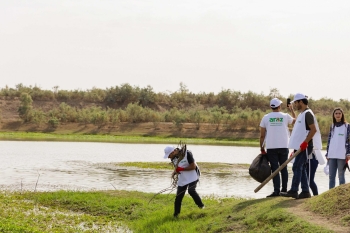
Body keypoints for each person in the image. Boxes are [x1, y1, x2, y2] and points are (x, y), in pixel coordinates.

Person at [280, 93, 323, 199]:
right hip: (299, 146)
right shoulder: (302, 114)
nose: (295, 104)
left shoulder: (308, 114)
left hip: (305, 146)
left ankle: (294, 190)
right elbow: (298, 127)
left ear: (301, 102)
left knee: (297, 166)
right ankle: (305, 191)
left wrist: (305, 142)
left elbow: (313, 130)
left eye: (296, 102)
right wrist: (292, 111)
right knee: (302, 167)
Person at [259, 97, 296, 197]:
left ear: (271, 107)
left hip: (271, 147)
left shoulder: (265, 117)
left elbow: (262, 135)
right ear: (279, 106)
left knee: (275, 169)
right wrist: (291, 109)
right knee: (283, 168)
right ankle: (284, 190)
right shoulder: (285, 116)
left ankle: (276, 191)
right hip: (284, 146)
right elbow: (296, 122)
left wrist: (262, 148)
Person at [163, 145, 204, 217]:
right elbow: (177, 167)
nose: (169, 157)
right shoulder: (173, 158)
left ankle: (202, 207)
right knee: (178, 196)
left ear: (173, 151)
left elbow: (193, 166)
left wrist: (182, 169)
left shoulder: (187, 154)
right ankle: (176, 215)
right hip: (183, 178)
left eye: (169, 155)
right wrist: (175, 172)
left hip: (193, 176)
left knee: (191, 191)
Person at [324, 107, 350, 189]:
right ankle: (330, 194)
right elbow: (329, 140)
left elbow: (349, 140)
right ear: (334, 115)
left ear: (342, 115)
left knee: (341, 175)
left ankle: (341, 193)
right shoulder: (332, 126)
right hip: (332, 155)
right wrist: (327, 153)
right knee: (331, 176)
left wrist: (348, 153)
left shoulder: (347, 126)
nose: (338, 115)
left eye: (339, 113)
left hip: (342, 154)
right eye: (336, 113)